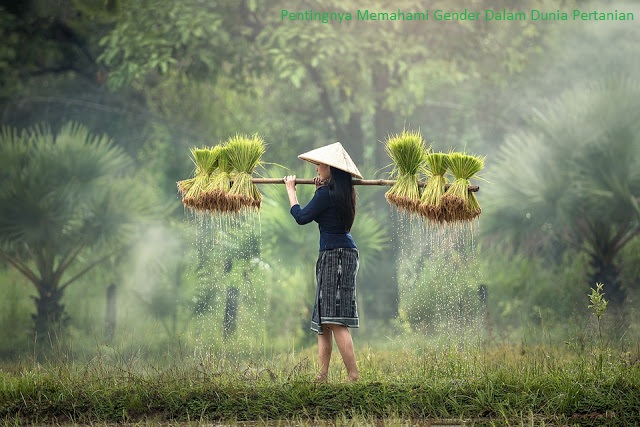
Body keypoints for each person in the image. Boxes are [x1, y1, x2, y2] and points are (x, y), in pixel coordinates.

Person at [283, 142, 363, 383]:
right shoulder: (341, 193)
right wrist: (320, 190)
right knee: (324, 319)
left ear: (330, 168)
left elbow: (301, 217)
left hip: (336, 255)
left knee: (334, 319)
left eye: (319, 165)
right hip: (338, 253)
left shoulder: (326, 194)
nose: (316, 169)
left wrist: (291, 190)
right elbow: (324, 208)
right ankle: (322, 375)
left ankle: (353, 374)